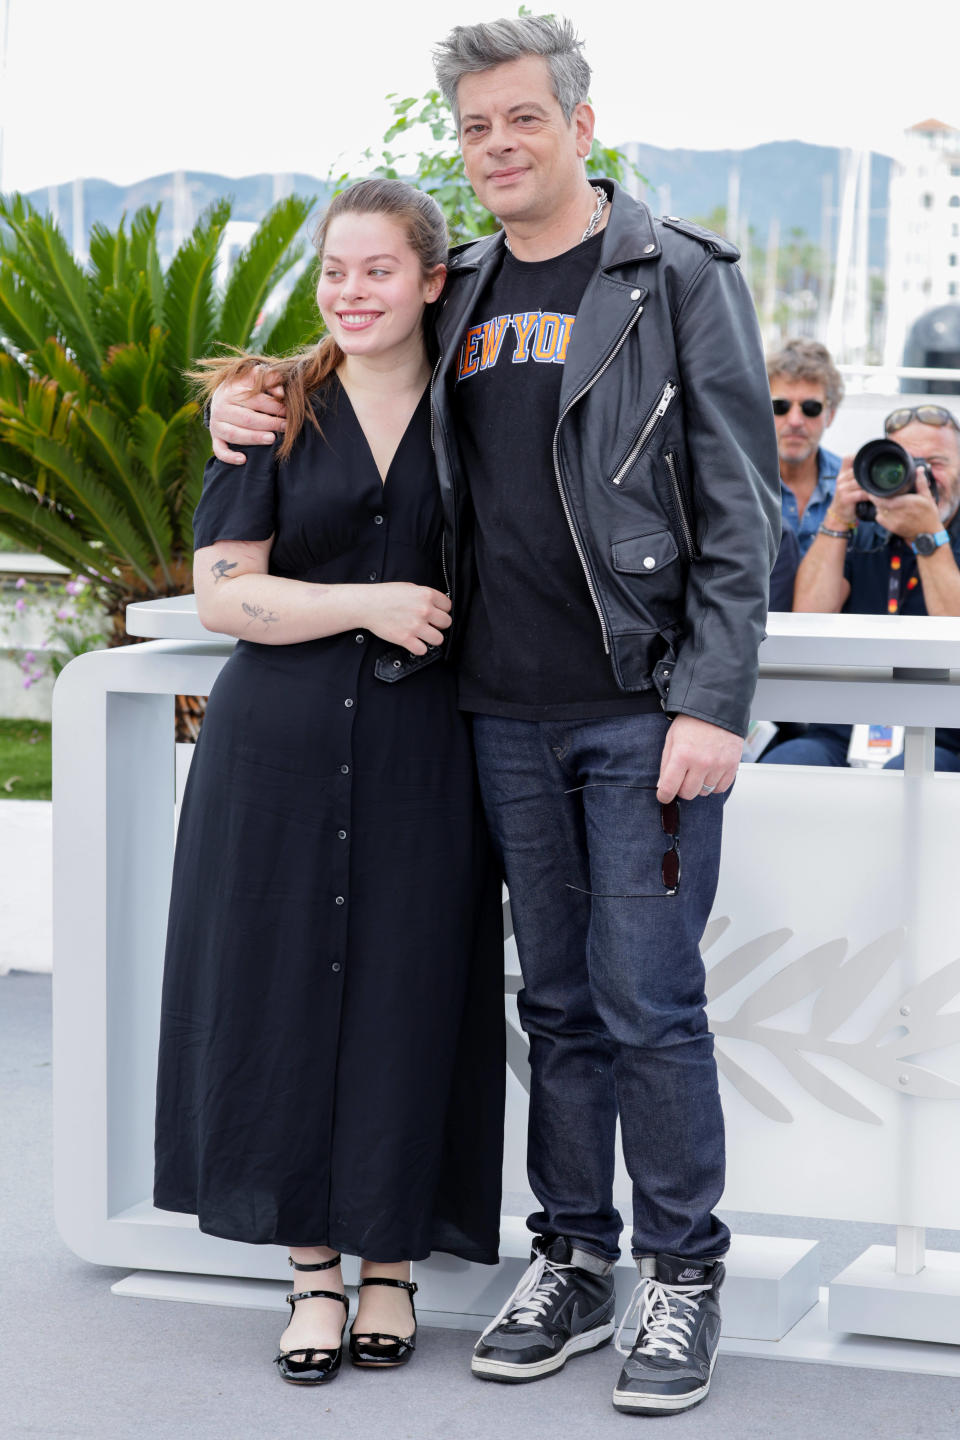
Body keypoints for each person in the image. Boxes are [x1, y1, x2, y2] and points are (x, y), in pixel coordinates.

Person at [208, 15, 780, 1417]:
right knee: (561, 1007)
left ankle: (684, 1279)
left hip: (640, 710)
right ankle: (574, 1260)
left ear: (582, 125)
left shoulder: (674, 276)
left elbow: (741, 509)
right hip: (496, 716)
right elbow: (363, 331)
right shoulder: (457, 286)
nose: (498, 146)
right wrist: (251, 393)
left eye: (522, 118)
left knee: (653, 1006)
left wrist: (709, 701)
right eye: (474, 128)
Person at [153, 178, 505, 1388]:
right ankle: (310, 1275)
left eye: (379, 271)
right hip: (276, 752)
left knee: (415, 992)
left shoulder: (480, 410)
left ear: (431, 281)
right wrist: (366, 603)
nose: (352, 293)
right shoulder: (270, 409)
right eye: (335, 272)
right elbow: (220, 589)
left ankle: (392, 1266)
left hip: (427, 753)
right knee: (277, 999)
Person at [765, 404, 960, 769]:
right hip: (845, 726)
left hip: (944, 730)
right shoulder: (861, 529)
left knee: (906, 776)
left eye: (935, 462)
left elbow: (956, 635)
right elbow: (808, 619)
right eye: (906, 462)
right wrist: (838, 515)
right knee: (786, 763)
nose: (920, 476)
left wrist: (929, 535)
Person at [768, 338, 844, 556]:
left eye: (810, 408)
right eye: (780, 406)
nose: (795, 420)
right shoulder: (739, 484)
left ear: (830, 415)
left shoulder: (851, 486)